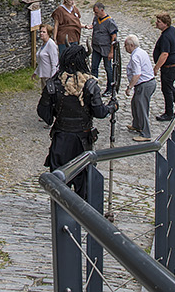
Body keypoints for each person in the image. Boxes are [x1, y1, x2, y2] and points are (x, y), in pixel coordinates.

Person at [38, 44, 118, 195]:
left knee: (60, 182)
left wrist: (54, 114)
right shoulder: (90, 84)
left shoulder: (54, 83)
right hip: (82, 140)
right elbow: (100, 112)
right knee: (83, 181)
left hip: (61, 138)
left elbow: (43, 112)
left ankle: (61, 214)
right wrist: (112, 107)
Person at [152, 12, 175, 121]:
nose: (156, 23)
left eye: (159, 22)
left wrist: (156, 67)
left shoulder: (165, 37)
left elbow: (164, 54)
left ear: (165, 24)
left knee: (166, 89)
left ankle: (169, 112)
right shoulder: (173, 30)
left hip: (169, 66)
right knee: (169, 85)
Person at [123, 34, 155, 141]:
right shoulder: (141, 52)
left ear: (131, 45)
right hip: (147, 83)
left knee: (142, 108)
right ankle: (136, 124)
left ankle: (145, 134)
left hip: (144, 85)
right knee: (135, 103)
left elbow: (137, 74)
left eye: (126, 45)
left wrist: (129, 87)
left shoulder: (135, 56)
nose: (125, 48)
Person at [89, 2, 119, 89]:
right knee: (94, 67)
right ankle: (93, 87)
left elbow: (114, 37)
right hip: (96, 48)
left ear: (102, 10)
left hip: (106, 48)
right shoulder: (96, 19)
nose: (95, 14)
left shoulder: (109, 22)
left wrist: (111, 51)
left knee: (108, 69)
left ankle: (110, 87)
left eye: (96, 12)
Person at [35, 23, 59, 89]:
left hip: (49, 77)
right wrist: (36, 72)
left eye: (44, 32)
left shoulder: (51, 45)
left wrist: (52, 78)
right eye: (40, 32)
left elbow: (54, 62)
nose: (41, 33)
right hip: (43, 76)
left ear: (49, 33)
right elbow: (41, 61)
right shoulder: (43, 45)